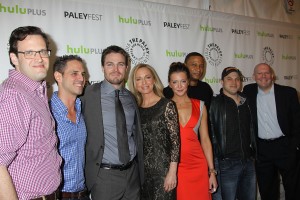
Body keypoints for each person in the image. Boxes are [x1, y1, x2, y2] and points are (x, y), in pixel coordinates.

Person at [0, 26, 62, 200]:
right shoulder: (15, 95)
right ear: (14, 58)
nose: (39, 58)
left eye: (42, 51)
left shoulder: (35, 90)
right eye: (29, 53)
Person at [81, 45, 144, 200]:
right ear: (102, 67)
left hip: (132, 175)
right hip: (104, 178)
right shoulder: (87, 95)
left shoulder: (131, 97)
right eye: (110, 64)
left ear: (127, 67)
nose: (116, 69)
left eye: (120, 64)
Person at [243, 63, 300, 200]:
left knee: (293, 188)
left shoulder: (289, 93)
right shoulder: (248, 91)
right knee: (267, 190)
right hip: (262, 150)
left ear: (272, 75)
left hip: (285, 146)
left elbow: (297, 121)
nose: (263, 76)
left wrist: (295, 146)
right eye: (259, 73)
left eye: (267, 73)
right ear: (253, 77)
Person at [128, 63, 180, 199]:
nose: (143, 82)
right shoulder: (135, 109)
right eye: (138, 79)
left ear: (154, 80)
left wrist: (172, 172)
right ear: (134, 83)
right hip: (141, 174)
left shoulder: (166, 105)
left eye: (147, 77)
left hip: (163, 172)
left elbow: (175, 142)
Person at [168, 62, 217, 200]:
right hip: (175, 167)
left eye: (183, 81)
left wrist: (211, 172)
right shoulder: (164, 107)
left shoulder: (200, 105)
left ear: (188, 82)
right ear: (170, 84)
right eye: (175, 82)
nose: (179, 86)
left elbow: (206, 140)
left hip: (198, 166)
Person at [209, 67, 257, 200]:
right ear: (221, 82)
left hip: (248, 162)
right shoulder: (214, 104)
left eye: (237, 79)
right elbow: (211, 135)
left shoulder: (247, 102)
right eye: (229, 78)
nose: (234, 82)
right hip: (226, 164)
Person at [50, 55, 90, 200]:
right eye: (74, 73)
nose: (81, 78)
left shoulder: (81, 109)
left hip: (82, 193)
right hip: (58, 195)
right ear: (58, 76)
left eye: (83, 74)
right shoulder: (46, 113)